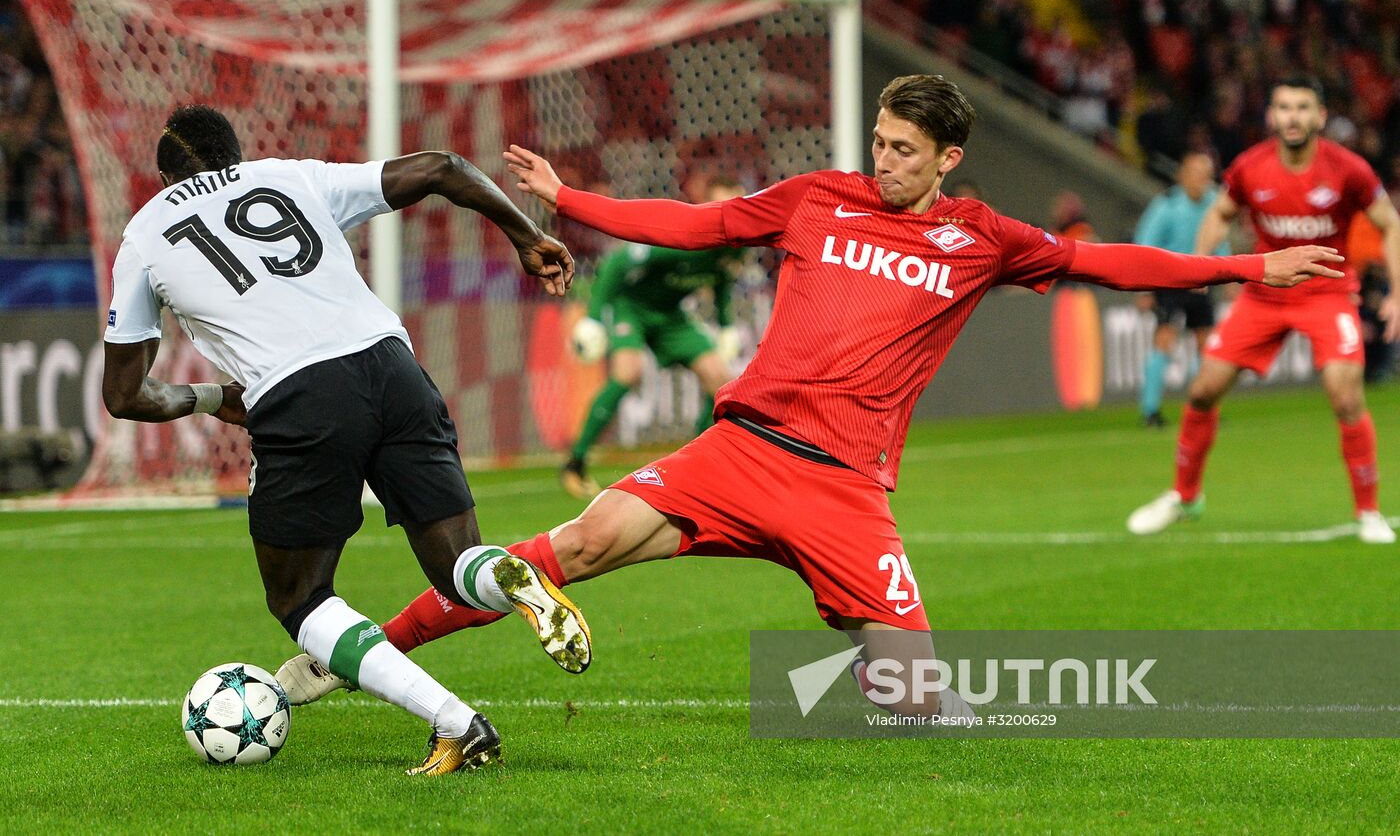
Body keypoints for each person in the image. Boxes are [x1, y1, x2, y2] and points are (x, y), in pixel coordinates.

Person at [278, 74, 1340, 719]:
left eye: (901, 150)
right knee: (570, 546)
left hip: (844, 490)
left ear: (947, 159)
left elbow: (1107, 261)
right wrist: (573, 200)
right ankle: (357, 656)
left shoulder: (980, 237)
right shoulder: (813, 200)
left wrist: (1246, 273)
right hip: (738, 450)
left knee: (913, 703)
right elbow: (696, 227)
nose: (879, 161)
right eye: (877, 141)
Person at [101, 105, 591, 775]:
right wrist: (525, 233)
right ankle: (505, 575)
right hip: (393, 368)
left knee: (300, 599)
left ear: (163, 176)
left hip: (300, 395)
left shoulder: (146, 233)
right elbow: (442, 168)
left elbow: (124, 394)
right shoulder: (288, 177)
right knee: (455, 564)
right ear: (238, 153)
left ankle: (458, 724)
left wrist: (216, 399)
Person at [1127, 76, 1400, 543]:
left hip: (1327, 292)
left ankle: (1368, 510)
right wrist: (1202, 267)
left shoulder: (1349, 169)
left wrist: (1396, 292)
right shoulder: (1250, 168)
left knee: (1345, 394)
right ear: (1271, 116)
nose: (1292, 117)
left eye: (1302, 108)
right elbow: (1219, 214)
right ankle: (1184, 496)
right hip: (1265, 292)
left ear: (1319, 116)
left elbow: (1390, 223)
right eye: (1283, 108)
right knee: (1202, 390)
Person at [561, 175, 746, 498]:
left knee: (720, 378)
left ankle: (696, 466)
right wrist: (593, 319)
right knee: (628, 371)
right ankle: (575, 462)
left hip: (671, 315)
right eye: (718, 206)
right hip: (631, 307)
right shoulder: (684, 240)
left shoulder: (735, 247)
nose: (725, 213)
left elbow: (721, 284)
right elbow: (618, 263)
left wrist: (726, 325)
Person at [1133, 151, 1226, 426]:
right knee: (1164, 339)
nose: (1202, 180)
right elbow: (1144, 244)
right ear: (1183, 175)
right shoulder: (1167, 206)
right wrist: (1145, 288)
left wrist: (1232, 275)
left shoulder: (1214, 203)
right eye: (1197, 173)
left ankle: (1203, 406)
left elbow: (1220, 240)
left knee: (1205, 344)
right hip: (1170, 281)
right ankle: (1150, 410)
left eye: (1206, 175)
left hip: (1202, 282)